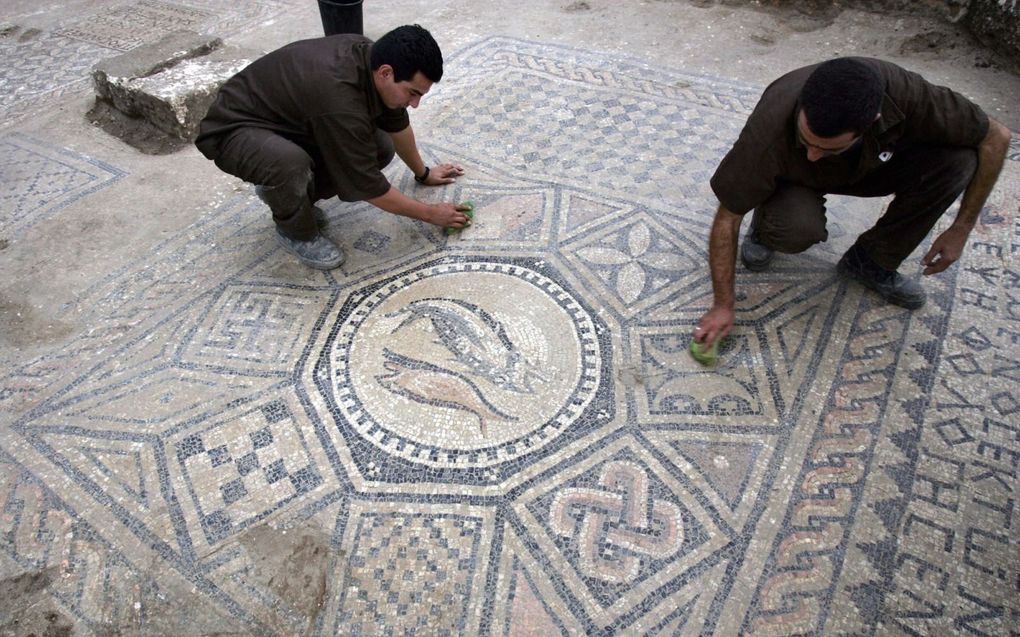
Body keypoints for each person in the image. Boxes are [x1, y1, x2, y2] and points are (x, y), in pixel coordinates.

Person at [694, 56, 1011, 347]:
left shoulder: (909, 95)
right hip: (794, 178)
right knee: (794, 230)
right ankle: (765, 228)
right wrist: (723, 305)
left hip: (875, 164)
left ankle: (872, 260)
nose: (814, 155)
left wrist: (962, 227)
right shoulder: (771, 124)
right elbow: (727, 217)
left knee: (960, 162)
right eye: (806, 142)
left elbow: (997, 137)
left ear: (872, 121)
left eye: (826, 149)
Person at [195, 24, 470, 270]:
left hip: (288, 122)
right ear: (386, 73)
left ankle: (287, 193)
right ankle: (296, 231)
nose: (415, 103)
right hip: (233, 129)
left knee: (380, 147)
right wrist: (429, 213)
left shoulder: (373, 60)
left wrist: (423, 173)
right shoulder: (340, 101)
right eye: (413, 93)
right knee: (289, 165)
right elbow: (369, 186)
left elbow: (397, 127)